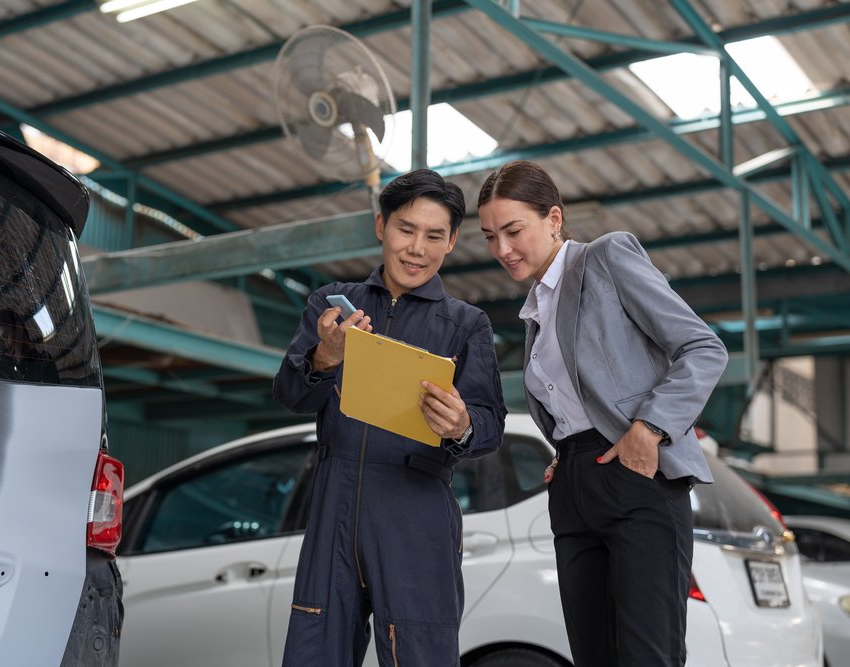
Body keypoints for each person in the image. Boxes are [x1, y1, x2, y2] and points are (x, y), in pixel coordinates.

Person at [477, 160, 728, 667]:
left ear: (553, 218)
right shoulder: (536, 310)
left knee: (647, 656)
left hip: (637, 478)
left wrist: (649, 429)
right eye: (489, 237)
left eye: (513, 231)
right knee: (593, 656)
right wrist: (566, 450)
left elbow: (704, 348)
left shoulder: (606, 258)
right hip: (573, 489)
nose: (502, 249)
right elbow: (577, 394)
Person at [273, 168, 506, 666]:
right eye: (406, 229)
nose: (417, 249)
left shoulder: (466, 325)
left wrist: (462, 425)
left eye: (434, 236)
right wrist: (324, 357)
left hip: (416, 510)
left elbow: (491, 426)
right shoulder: (332, 307)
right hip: (333, 505)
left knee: (420, 653)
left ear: (451, 242)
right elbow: (290, 394)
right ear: (381, 226)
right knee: (316, 648)